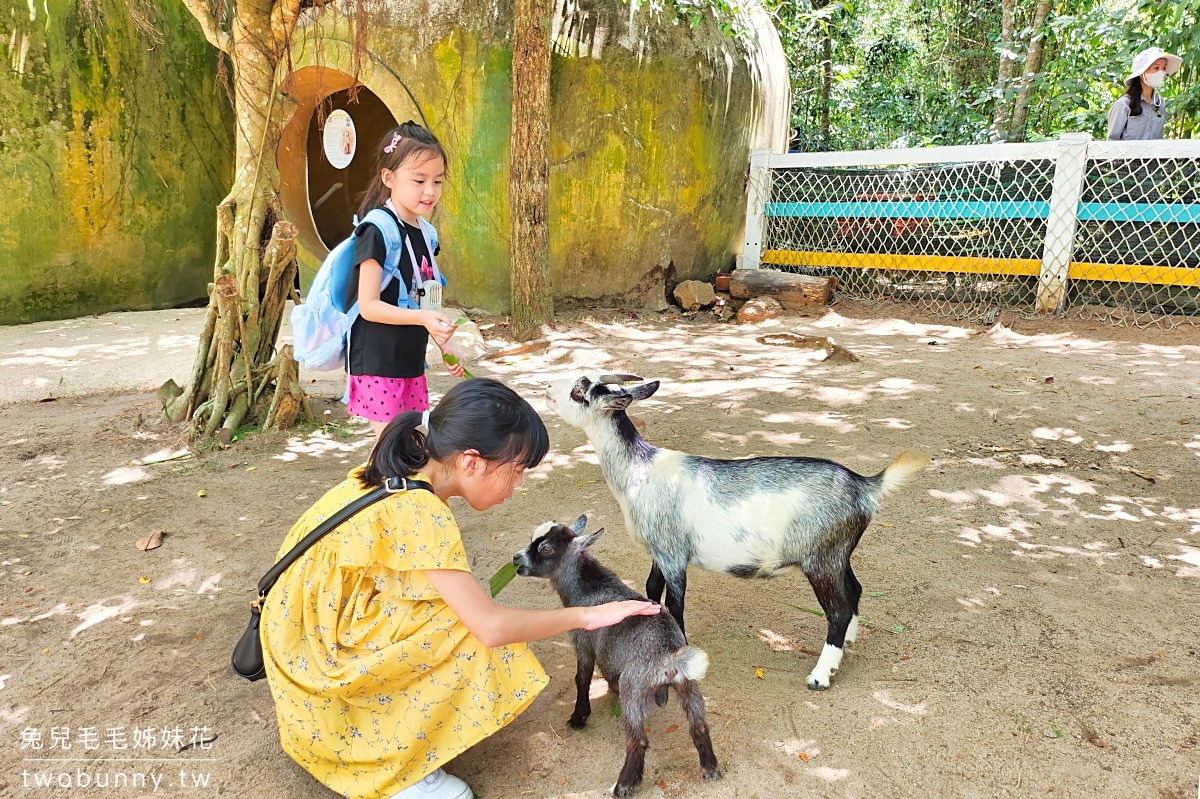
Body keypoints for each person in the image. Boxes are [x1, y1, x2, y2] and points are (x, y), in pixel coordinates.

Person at [260, 378, 660, 799]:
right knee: (475, 632)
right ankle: (401, 769)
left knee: (458, 609)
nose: (518, 485)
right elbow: (490, 627)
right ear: (472, 462)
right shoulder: (423, 512)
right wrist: (592, 614)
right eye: (516, 471)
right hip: (317, 663)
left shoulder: (398, 473)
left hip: (300, 634)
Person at [348, 121, 463, 440]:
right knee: (391, 450)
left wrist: (446, 342)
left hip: (411, 364)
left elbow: (430, 296)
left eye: (437, 181)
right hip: (377, 361)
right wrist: (423, 317)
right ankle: (372, 492)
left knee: (412, 443)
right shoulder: (376, 231)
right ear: (389, 178)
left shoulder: (427, 234)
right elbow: (368, 306)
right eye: (419, 180)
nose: (430, 191)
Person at [1107, 46, 1182, 141]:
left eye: (1163, 68)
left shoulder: (1159, 103)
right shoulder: (1123, 104)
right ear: (1142, 73)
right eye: (1156, 68)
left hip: (1155, 156)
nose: (1160, 72)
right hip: (1130, 155)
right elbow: (1111, 142)